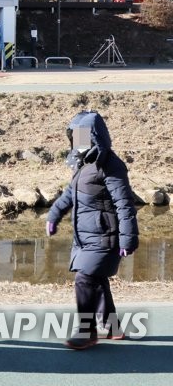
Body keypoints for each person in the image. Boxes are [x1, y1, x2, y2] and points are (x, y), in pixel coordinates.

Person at [46, 111, 138, 350]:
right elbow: (69, 194)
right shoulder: (83, 162)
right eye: (75, 136)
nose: (79, 141)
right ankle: (112, 327)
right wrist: (54, 214)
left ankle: (87, 332)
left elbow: (124, 203)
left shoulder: (110, 165)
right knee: (97, 279)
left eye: (83, 136)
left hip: (105, 236)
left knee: (85, 278)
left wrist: (128, 239)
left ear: (95, 136)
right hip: (85, 236)